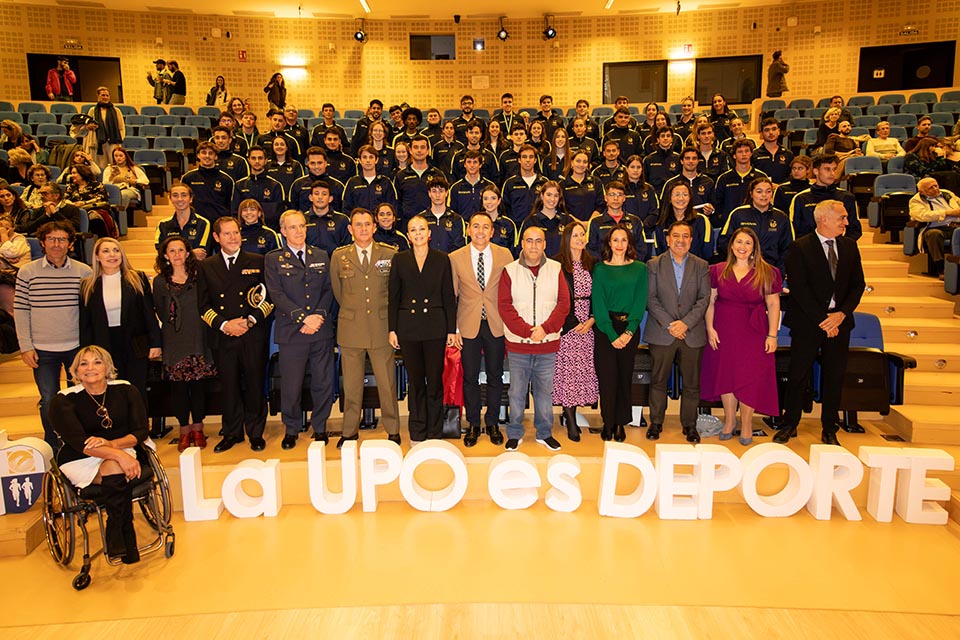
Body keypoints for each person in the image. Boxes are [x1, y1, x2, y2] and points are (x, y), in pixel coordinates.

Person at [774, 200, 865, 446]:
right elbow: (800, 289)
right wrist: (824, 320)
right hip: (808, 322)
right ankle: (790, 423)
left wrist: (841, 314)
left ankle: (829, 427)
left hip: (840, 322)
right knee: (797, 375)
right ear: (824, 218)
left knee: (834, 376)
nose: (846, 222)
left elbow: (858, 285)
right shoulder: (799, 247)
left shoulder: (849, 247)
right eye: (842, 218)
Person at [49, 346, 148, 564]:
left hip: (121, 448)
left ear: (107, 366)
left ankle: (118, 532)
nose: (90, 367)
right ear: (75, 370)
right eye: (83, 363)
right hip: (79, 457)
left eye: (97, 362)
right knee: (116, 466)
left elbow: (141, 431)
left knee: (113, 466)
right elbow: (79, 442)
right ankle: (125, 537)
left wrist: (113, 446)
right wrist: (120, 456)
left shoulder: (125, 390)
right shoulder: (63, 400)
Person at [198, 216, 274, 453]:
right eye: (228, 234)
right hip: (224, 336)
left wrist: (250, 320)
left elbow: (268, 299)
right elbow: (203, 305)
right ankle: (232, 433)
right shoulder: (206, 266)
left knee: (254, 384)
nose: (233, 237)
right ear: (217, 237)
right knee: (228, 386)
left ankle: (255, 432)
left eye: (236, 233)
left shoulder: (258, 261)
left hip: (252, 334)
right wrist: (224, 325)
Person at [14, 220, 93, 450]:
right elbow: (21, 310)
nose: (56, 244)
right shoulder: (28, 272)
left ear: (70, 244)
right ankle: (54, 445)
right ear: (42, 242)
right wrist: (26, 346)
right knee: (49, 400)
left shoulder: (83, 271)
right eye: (51, 239)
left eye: (62, 239)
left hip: (76, 347)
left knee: (80, 398)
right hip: (42, 349)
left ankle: (81, 443)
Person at [701, 228, 782, 444]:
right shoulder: (717, 270)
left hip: (754, 331)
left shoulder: (768, 271)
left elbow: (773, 304)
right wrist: (710, 328)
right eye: (739, 242)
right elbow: (710, 302)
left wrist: (772, 335)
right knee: (726, 375)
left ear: (754, 247)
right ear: (731, 245)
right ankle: (729, 420)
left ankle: (746, 423)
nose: (742, 247)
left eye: (747, 243)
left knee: (750, 378)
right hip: (723, 329)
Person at [265, 210, 337, 449]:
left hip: (321, 331)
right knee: (291, 385)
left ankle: (320, 427)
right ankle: (292, 428)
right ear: (283, 231)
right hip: (291, 332)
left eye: (302, 226)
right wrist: (303, 318)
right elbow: (276, 294)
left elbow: (329, 290)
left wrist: (317, 316)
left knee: (323, 381)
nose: (299, 231)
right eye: (293, 227)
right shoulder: (274, 259)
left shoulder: (321, 255)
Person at [329, 208, 401, 448]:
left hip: (381, 327)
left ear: (374, 227)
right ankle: (349, 430)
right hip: (351, 328)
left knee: (387, 383)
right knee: (351, 384)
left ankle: (392, 429)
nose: (362, 228)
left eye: (367, 224)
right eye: (357, 224)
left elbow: (394, 291)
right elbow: (338, 293)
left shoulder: (389, 254)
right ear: (350, 229)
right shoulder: (339, 256)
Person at [498, 225, 571, 451]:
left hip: (547, 344)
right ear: (522, 243)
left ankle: (544, 433)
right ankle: (515, 432)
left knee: (544, 392)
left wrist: (545, 329)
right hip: (518, 345)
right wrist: (528, 331)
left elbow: (563, 303)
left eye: (538, 241)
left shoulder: (556, 268)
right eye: (529, 241)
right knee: (516, 392)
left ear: (544, 244)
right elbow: (504, 306)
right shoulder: (509, 270)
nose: (533, 245)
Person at [388, 215, 457, 443]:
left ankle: (435, 432)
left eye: (421, 229)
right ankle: (417, 431)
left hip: (435, 328)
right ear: (408, 236)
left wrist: (451, 329)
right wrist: (392, 329)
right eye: (413, 230)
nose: (418, 233)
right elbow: (394, 297)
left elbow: (449, 296)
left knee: (434, 382)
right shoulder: (399, 260)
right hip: (408, 328)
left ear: (429, 233)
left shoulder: (442, 259)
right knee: (416, 382)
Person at [449, 212, 513, 447]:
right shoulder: (455, 257)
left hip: (496, 324)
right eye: (476, 226)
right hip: (467, 326)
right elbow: (452, 295)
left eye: (486, 227)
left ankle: (493, 422)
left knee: (496, 376)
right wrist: (454, 328)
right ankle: (474, 423)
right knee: (470, 377)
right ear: (468, 230)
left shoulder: (504, 255)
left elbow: (510, 292)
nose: (480, 231)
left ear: (492, 231)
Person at [643, 219, 710, 442]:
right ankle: (656, 423)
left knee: (692, 384)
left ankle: (690, 425)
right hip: (662, 332)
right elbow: (650, 299)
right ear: (668, 239)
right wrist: (672, 324)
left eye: (685, 236)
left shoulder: (701, 265)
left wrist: (685, 324)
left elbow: (704, 299)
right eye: (676, 236)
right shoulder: (653, 264)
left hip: (692, 333)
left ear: (691, 240)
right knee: (658, 381)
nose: (680, 240)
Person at [79, 237, 161, 412]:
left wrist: (156, 342)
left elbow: (149, 313)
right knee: (110, 389)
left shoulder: (137, 278)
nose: (112, 255)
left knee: (136, 389)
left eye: (116, 250)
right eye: (106, 251)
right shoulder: (88, 285)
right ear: (97, 257)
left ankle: (140, 434)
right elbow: (85, 323)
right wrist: (85, 351)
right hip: (103, 344)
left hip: (135, 343)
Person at [153, 236, 217, 451]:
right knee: (179, 390)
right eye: (172, 251)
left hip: (199, 337)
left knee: (199, 387)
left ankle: (198, 429)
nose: (178, 254)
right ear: (165, 255)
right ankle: (184, 430)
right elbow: (161, 311)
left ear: (188, 253)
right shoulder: (160, 281)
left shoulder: (199, 276)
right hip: (174, 340)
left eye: (181, 250)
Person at [591, 224, 647, 442]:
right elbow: (599, 303)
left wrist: (630, 331)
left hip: (629, 330)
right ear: (608, 243)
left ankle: (621, 423)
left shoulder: (640, 269)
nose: (620, 245)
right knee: (607, 378)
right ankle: (608, 422)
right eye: (615, 240)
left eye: (624, 240)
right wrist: (612, 335)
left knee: (624, 377)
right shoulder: (600, 269)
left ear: (629, 243)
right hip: (605, 330)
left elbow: (640, 301)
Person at [553, 221, 598, 442]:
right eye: (575, 235)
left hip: (588, 324)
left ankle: (572, 412)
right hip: (567, 325)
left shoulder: (593, 263)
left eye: (582, 234)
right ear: (567, 238)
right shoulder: (557, 264)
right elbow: (555, 298)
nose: (579, 239)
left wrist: (592, 319)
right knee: (568, 374)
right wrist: (571, 322)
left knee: (582, 372)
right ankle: (570, 419)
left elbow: (600, 296)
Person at [718, 177, 793, 272]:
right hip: (742, 268)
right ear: (751, 193)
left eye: (768, 191)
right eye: (759, 191)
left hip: (771, 270)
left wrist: (779, 272)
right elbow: (724, 241)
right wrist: (739, 262)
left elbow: (787, 248)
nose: (764, 195)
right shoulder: (738, 213)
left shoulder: (781, 217)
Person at [790, 154, 862, 240]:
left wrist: (840, 246)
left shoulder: (847, 197)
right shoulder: (801, 198)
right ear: (816, 171)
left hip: (837, 250)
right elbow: (795, 231)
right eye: (827, 169)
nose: (832, 174)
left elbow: (855, 229)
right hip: (809, 249)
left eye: (834, 169)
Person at [908, 178, 960, 278]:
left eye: (936, 185)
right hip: (936, 228)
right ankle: (941, 270)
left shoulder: (947, 194)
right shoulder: (915, 200)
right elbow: (922, 215)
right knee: (934, 234)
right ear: (921, 191)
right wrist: (946, 213)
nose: (936, 189)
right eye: (931, 188)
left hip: (955, 227)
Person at [655, 182, 712, 260]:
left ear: (690, 198)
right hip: (668, 268)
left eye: (685, 195)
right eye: (677, 195)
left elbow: (707, 251)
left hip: (696, 268)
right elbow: (659, 251)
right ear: (670, 199)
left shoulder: (701, 221)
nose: (681, 198)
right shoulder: (662, 223)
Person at [154, 183, 212, 259]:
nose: (179, 199)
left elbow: (201, 254)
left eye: (184, 195)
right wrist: (192, 253)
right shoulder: (163, 225)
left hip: (195, 269)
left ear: (191, 199)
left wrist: (174, 254)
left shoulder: (203, 223)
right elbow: (162, 253)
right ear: (170, 199)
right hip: (171, 270)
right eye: (175, 195)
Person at [71, 87, 124, 168]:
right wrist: (89, 126)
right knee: (100, 166)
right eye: (103, 95)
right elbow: (87, 125)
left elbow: (121, 128)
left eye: (107, 95)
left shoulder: (116, 111)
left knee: (114, 166)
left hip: (113, 142)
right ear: (98, 96)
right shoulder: (92, 110)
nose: (105, 97)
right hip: (98, 142)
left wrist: (119, 142)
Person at [521, 180, 571, 258]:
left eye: (556, 196)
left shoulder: (567, 220)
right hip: (538, 266)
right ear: (541, 196)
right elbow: (522, 249)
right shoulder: (530, 221)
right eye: (549, 195)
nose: (552, 199)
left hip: (562, 267)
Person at [562, 150, 605, 222]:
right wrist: (578, 223)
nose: (581, 164)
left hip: (593, 225)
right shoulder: (563, 184)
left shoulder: (596, 182)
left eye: (585, 162)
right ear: (572, 163)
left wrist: (590, 222)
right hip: (571, 225)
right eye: (578, 161)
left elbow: (601, 205)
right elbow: (562, 209)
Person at [102, 147, 148, 211]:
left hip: (129, 190)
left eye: (121, 156)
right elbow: (105, 183)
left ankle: (120, 215)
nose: (118, 158)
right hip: (114, 191)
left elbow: (145, 181)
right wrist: (112, 177)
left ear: (125, 156)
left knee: (123, 195)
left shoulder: (133, 168)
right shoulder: (109, 169)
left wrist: (135, 181)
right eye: (116, 156)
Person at [0, 214, 29, 316]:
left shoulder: (19, 239)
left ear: (12, 228)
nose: (2, 230)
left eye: (6, 228)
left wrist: (4, 235)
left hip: (15, 277)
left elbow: (11, 252)